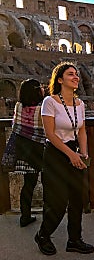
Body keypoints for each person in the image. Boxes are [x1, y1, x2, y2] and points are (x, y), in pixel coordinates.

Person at [35, 62, 94, 256]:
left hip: (74, 151)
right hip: (55, 153)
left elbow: (82, 130)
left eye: (77, 74)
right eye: (70, 74)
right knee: (58, 201)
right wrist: (71, 155)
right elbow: (50, 134)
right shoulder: (50, 102)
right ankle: (43, 235)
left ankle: (74, 240)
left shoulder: (80, 104)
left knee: (78, 198)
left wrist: (83, 154)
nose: (76, 77)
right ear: (60, 79)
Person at [12, 79, 46, 227]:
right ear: (37, 91)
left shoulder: (18, 106)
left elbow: (15, 125)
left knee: (28, 184)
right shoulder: (41, 108)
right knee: (48, 183)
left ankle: (25, 216)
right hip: (39, 149)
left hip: (23, 149)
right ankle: (49, 214)